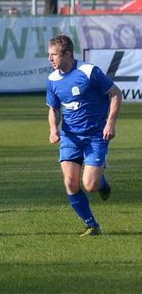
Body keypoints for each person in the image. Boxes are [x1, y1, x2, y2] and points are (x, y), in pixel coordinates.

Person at [46, 34, 122, 236]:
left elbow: (116, 93)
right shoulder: (52, 79)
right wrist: (53, 129)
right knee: (70, 183)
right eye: (49, 54)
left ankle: (101, 183)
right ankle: (92, 225)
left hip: (96, 135)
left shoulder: (89, 72)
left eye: (54, 55)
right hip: (70, 137)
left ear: (68, 54)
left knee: (90, 185)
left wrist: (110, 124)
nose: (50, 59)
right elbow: (53, 109)